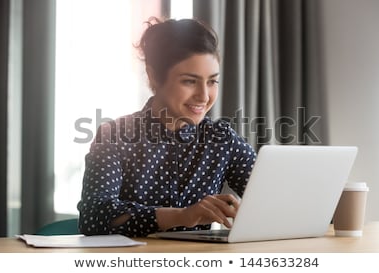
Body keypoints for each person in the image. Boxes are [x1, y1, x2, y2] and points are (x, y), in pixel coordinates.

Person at [77, 17, 257, 237]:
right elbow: (94, 217)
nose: (204, 96)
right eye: (190, 81)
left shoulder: (222, 139)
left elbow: (272, 197)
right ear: (154, 76)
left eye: (212, 81)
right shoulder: (114, 136)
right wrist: (182, 216)